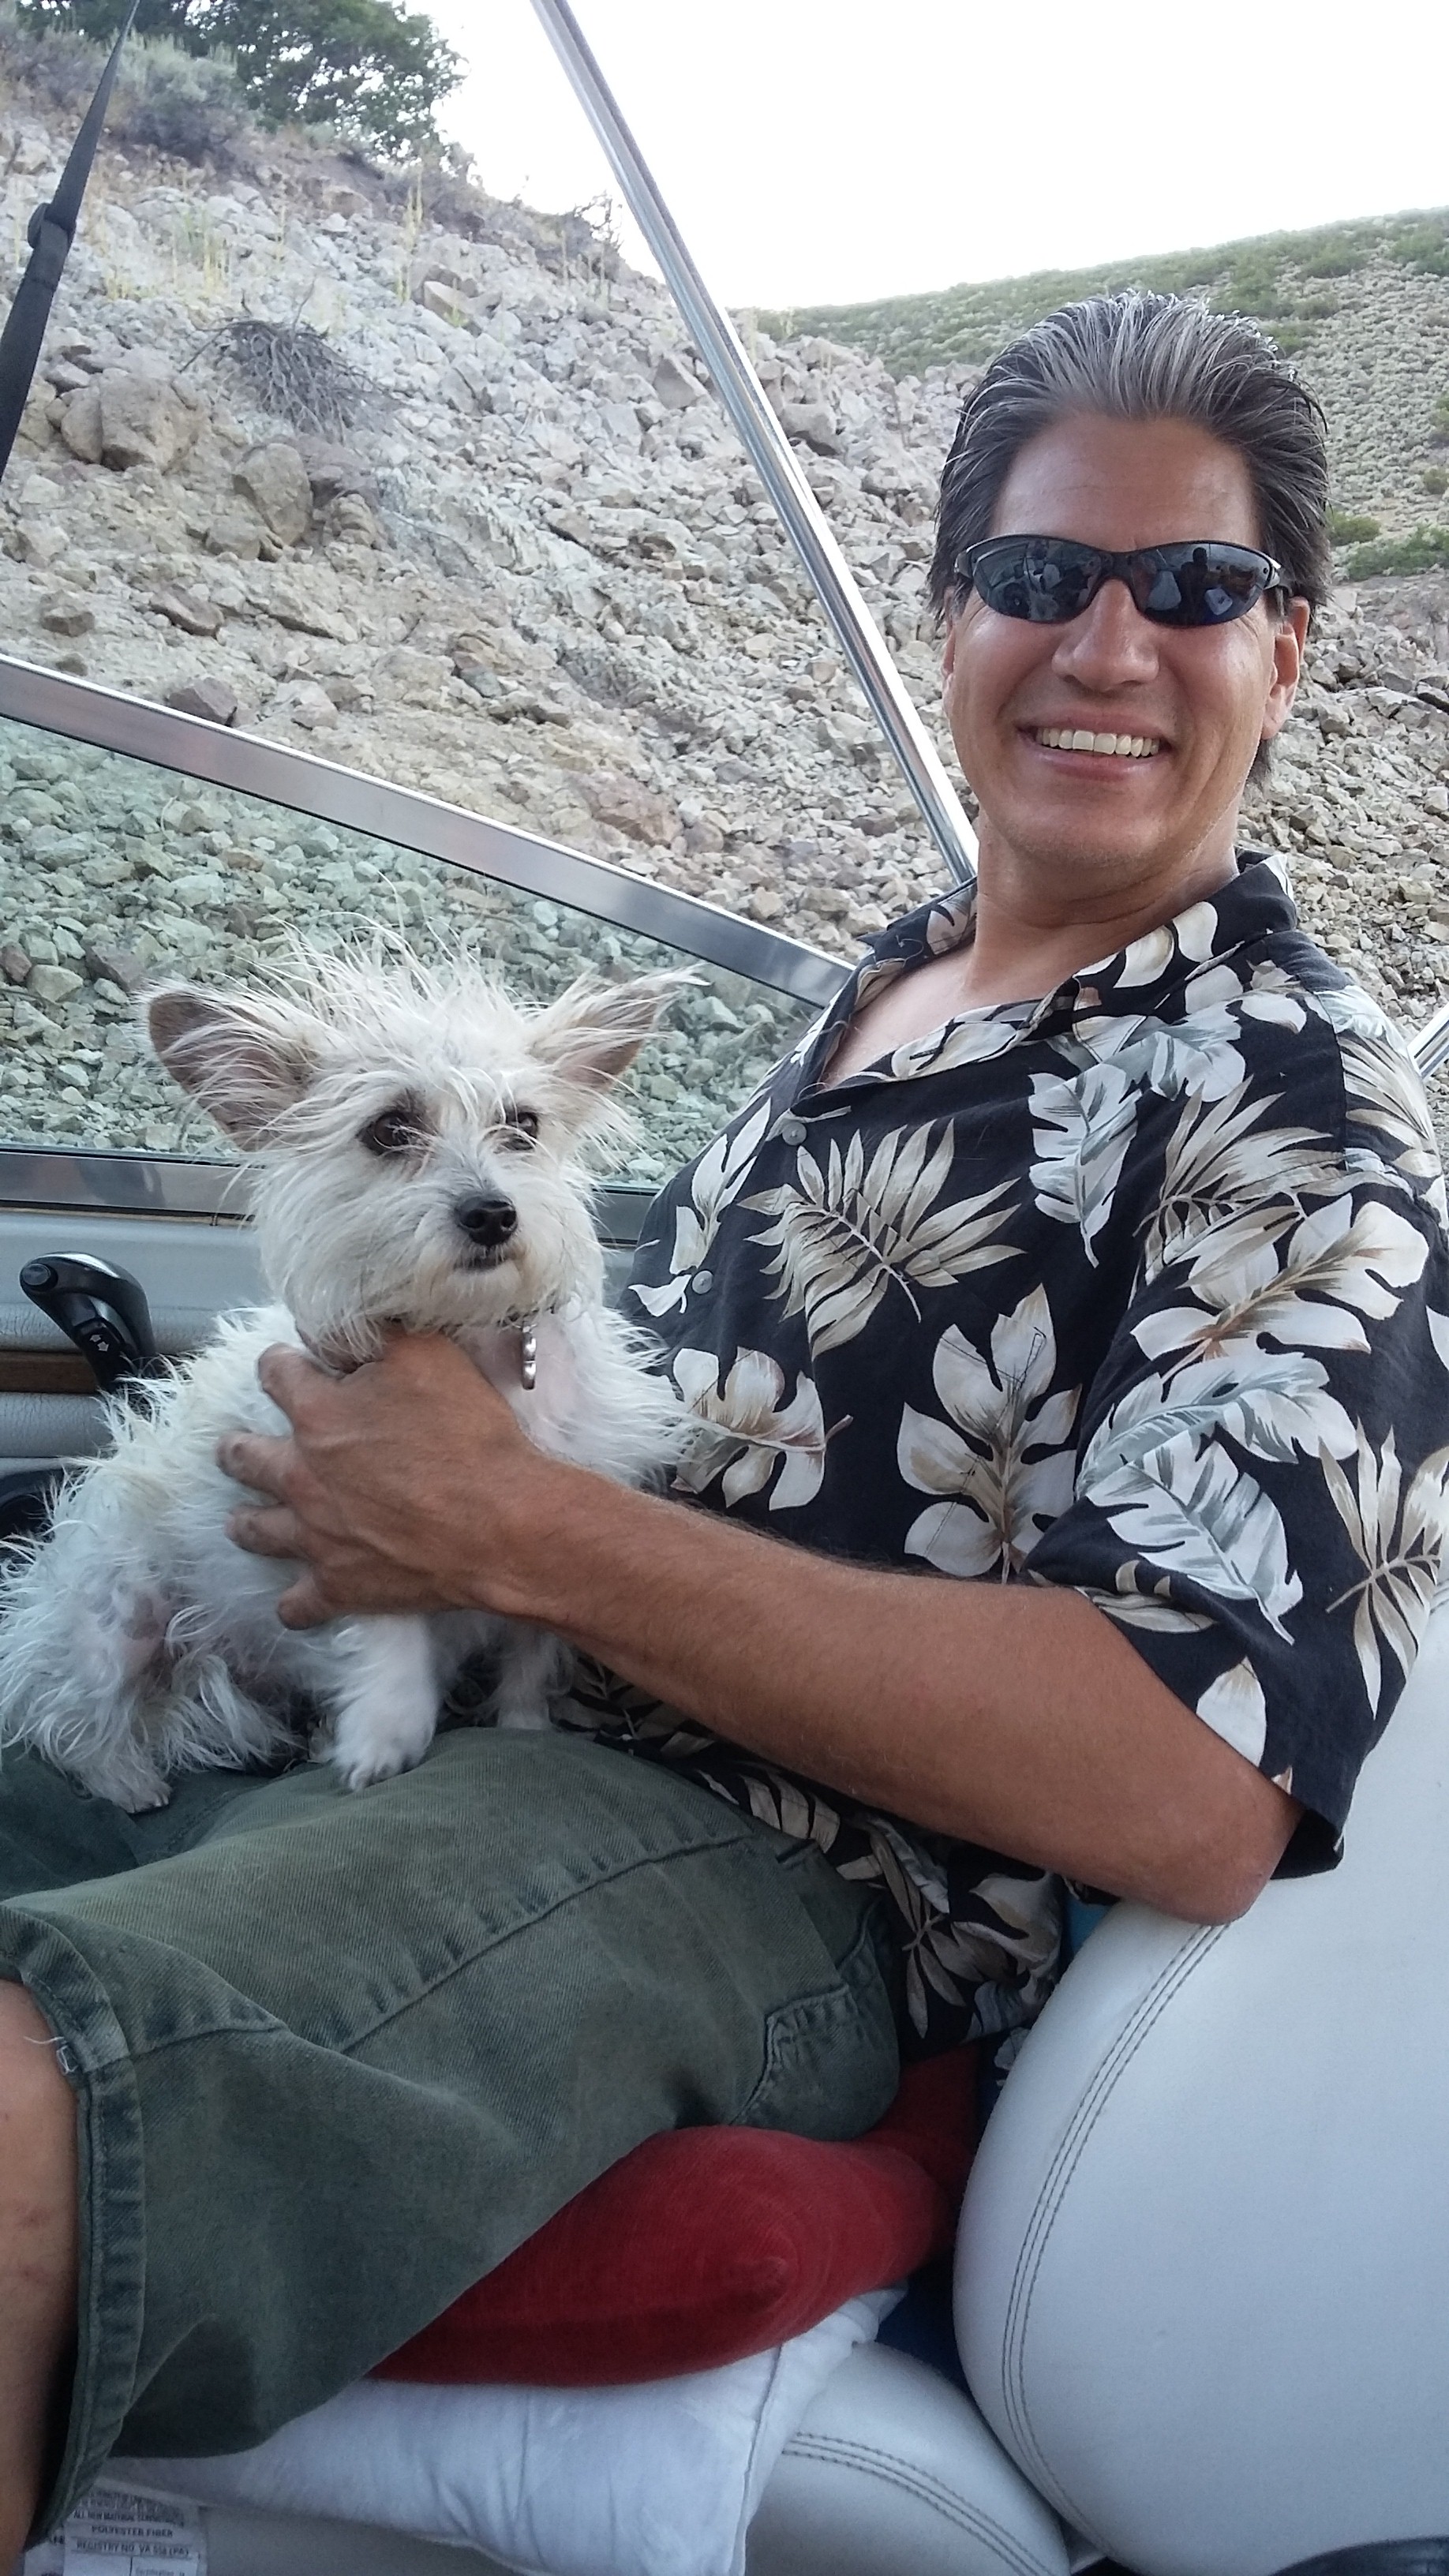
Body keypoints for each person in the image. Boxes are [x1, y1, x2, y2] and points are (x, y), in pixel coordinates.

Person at [4, 288, 1448, 2554]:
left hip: (773, 1873)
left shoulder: (1299, 1109)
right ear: (951, 615)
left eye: (1193, 585)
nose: (1107, 644)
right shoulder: (888, 986)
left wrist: (515, 1539)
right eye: (1039, 573)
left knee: (27, 2107)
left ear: (1286, 653)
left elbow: (1191, 1791)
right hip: (486, 1737)